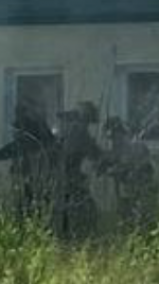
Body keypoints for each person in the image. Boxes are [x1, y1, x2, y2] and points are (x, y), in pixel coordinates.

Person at [0, 101, 58, 217]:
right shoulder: (38, 137)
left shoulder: (30, 139)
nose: (16, 134)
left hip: (32, 178)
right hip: (34, 178)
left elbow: (9, 150)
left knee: (28, 203)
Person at [97, 116, 158, 226]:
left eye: (115, 136)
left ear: (121, 133)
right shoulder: (116, 151)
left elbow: (145, 169)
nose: (113, 140)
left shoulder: (136, 147)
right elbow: (107, 164)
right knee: (126, 215)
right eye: (111, 138)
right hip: (127, 192)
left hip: (140, 192)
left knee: (142, 218)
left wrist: (122, 170)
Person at [54, 101, 102, 237]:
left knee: (70, 205)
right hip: (69, 175)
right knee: (83, 207)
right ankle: (73, 235)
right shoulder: (80, 133)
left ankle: (66, 234)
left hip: (66, 174)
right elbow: (95, 153)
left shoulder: (75, 132)